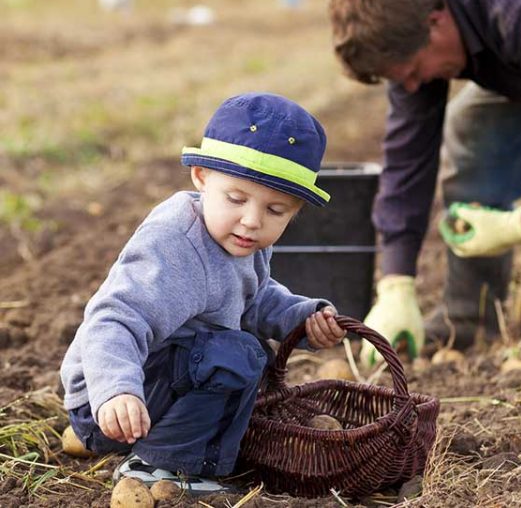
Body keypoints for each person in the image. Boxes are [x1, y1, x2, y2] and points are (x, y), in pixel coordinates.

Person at [60, 92, 347, 494]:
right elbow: (114, 319)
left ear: (295, 210)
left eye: (276, 211)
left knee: (247, 352)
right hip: (109, 401)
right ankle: (162, 467)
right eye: (236, 199)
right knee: (239, 354)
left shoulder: (242, 239)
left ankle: (185, 447)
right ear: (201, 177)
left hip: (151, 387)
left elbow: (254, 296)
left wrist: (302, 319)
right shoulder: (175, 246)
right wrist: (117, 391)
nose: (252, 220)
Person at [327, 0, 521, 366]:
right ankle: (470, 319)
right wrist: (396, 282)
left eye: (409, 73)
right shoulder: (408, 22)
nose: (410, 86)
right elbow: (408, 155)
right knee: (474, 128)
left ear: (435, 22)